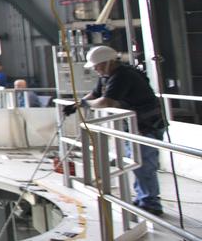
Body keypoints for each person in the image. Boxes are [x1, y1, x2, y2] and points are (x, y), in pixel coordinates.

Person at [72, 45, 168, 216]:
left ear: (109, 62)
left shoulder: (123, 75)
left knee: (144, 165)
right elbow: (95, 95)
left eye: (98, 66)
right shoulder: (107, 75)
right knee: (137, 163)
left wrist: (86, 105)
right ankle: (143, 198)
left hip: (147, 126)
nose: (95, 69)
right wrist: (78, 103)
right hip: (134, 126)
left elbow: (106, 102)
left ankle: (151, 203)